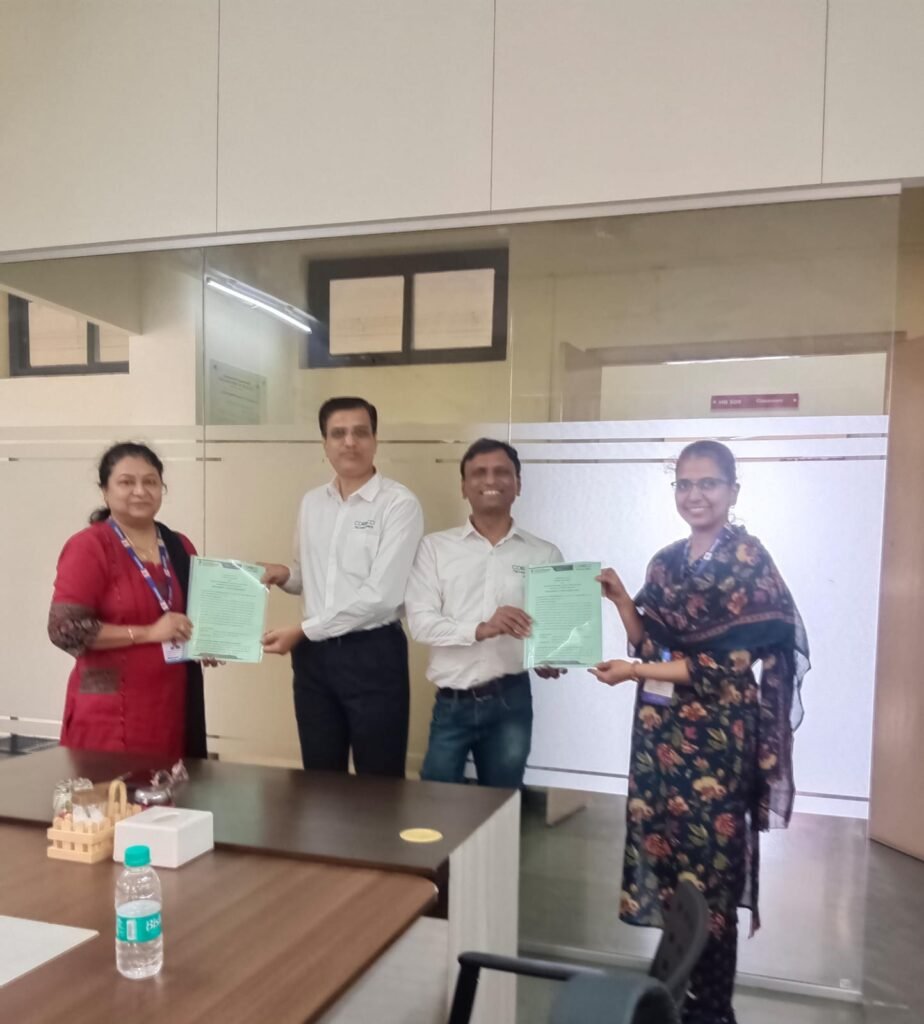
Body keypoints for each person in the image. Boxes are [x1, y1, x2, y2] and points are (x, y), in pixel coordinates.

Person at [590, 440, 809, 1024]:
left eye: (708, 483)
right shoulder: (666, 563)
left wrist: (635, 671)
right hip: (661, 739)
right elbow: (652, 644)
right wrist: (622, 603)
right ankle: (677, 992)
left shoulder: (749, 561)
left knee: (712, 874)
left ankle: (711, 1008)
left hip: (717, 741)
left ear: (733, 491)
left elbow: (725, 666)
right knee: (669, 860)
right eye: (684, 484)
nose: (695, 495)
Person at [261, 396, 423, 777]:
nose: (350, 442)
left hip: (372, 654)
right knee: (319, 775)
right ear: (325, 444)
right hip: (313, 660)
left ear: (375, 440)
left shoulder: (399, 504)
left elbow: (382, 597)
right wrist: (283, 574)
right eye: (338, 434)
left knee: (378, 779)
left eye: (360, 433)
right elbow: (309, 577)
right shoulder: (312, 503)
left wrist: (303, 630)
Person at [405, 438, 564, 788]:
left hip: (512, 700)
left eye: (501, 472)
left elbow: (550, 633)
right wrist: (482, 628)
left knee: (502, 801)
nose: (490, 480)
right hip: (452, 702)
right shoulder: (434, 549)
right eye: (478, 473)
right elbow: (421, 624)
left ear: (518, 484)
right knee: (435, 799)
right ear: (464, 487)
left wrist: (550, 656)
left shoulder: (544, 555)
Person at [48, 442, 209, 759]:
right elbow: (65, 629)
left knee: (174, 788)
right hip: (109, 713)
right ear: (105, 491)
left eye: (150, 482)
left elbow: (193, 615)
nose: (140, 491)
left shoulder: (179, 545)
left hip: (171, 705)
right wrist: (148, 633)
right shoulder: (90, 546)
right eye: (126, 482)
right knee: (115, 791)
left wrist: (207, 640)